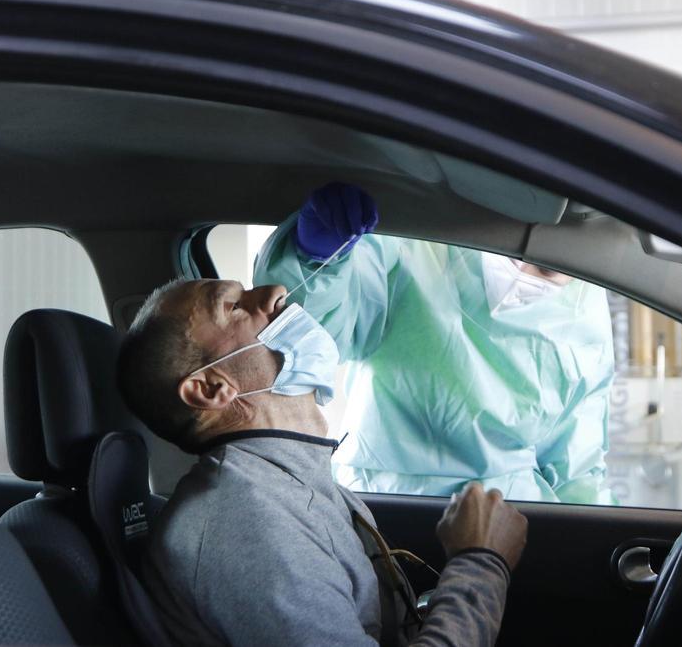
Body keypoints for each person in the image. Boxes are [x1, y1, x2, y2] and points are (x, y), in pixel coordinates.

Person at [117, 278, 527, 646]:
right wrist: (479, 564)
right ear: (211, 388)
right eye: (235, 306)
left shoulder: (292, 483)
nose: (275, 292)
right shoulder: (244, 522)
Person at [254, 182, 616, 504]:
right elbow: (316, 337)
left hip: (501, 519)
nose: (527, 267)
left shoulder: (585, 320)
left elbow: (576, 470)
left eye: (550, 267)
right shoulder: (422, 248)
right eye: (523, 254)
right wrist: (317, 261)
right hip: (379, 503)